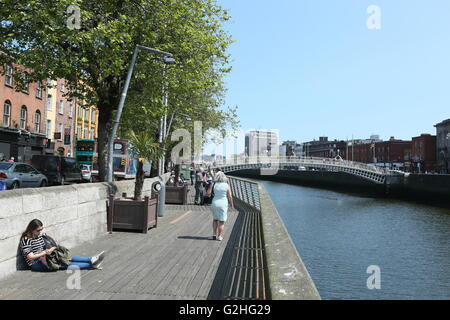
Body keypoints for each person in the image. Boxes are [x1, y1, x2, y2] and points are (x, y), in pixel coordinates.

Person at [20, 219, 105, 272]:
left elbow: (47, 246)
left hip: (45, 257)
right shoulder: (26, 240)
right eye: (38, 230)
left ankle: (91, 259)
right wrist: (45, 252)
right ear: (31, 229)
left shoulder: (39, 236)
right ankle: (91, 265)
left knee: (64, 258)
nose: (40, 232)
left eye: (41, 229)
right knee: (64, 265)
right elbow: (30, 257)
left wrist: (52, 248)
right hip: (36, 263)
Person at [208, 172, 234, 241]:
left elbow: (208, 193)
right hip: (223, 204)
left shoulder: (214, 184)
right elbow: (230, 196)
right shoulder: (227, 185)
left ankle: (214, 235)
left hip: (215, 203)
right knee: (221, 221)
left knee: (215, 219)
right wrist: (231, 204)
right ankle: (219, 236)